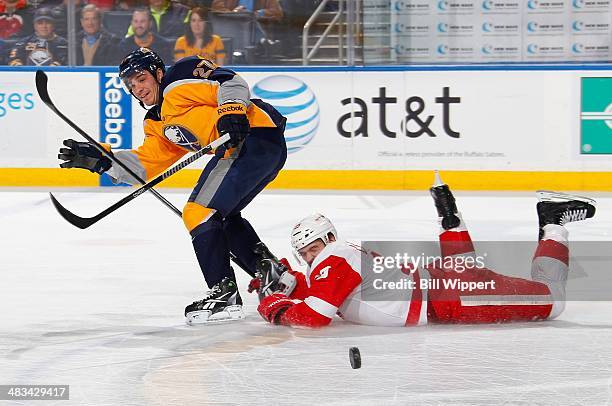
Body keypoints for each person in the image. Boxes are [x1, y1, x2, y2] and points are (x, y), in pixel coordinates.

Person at [57, 48, 287, 324]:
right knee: (219, 218)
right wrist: (103, 161)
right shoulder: (156, 122)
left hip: (253, 137)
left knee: (198, 211)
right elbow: (146, 165)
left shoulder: (180, 78)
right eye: (131, 85)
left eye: (140, 79)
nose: (137, 89)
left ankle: (224, 295)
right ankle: (272, 274)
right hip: (247, 151)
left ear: (158, 73)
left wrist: (232, 111)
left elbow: (230, 81)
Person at [254, 172, 596, 327]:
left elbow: (315, 316)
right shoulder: (338, 254)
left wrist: (273, 305)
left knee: (555, 300)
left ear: (327, 239)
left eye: (312, 248)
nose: (310, 257)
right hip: (443, 285)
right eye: (305, 253)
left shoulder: (334, 258)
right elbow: (326, 291)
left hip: (450, 297)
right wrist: (293, 281)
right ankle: (452, 222)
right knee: (465, 267)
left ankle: (554, 222)